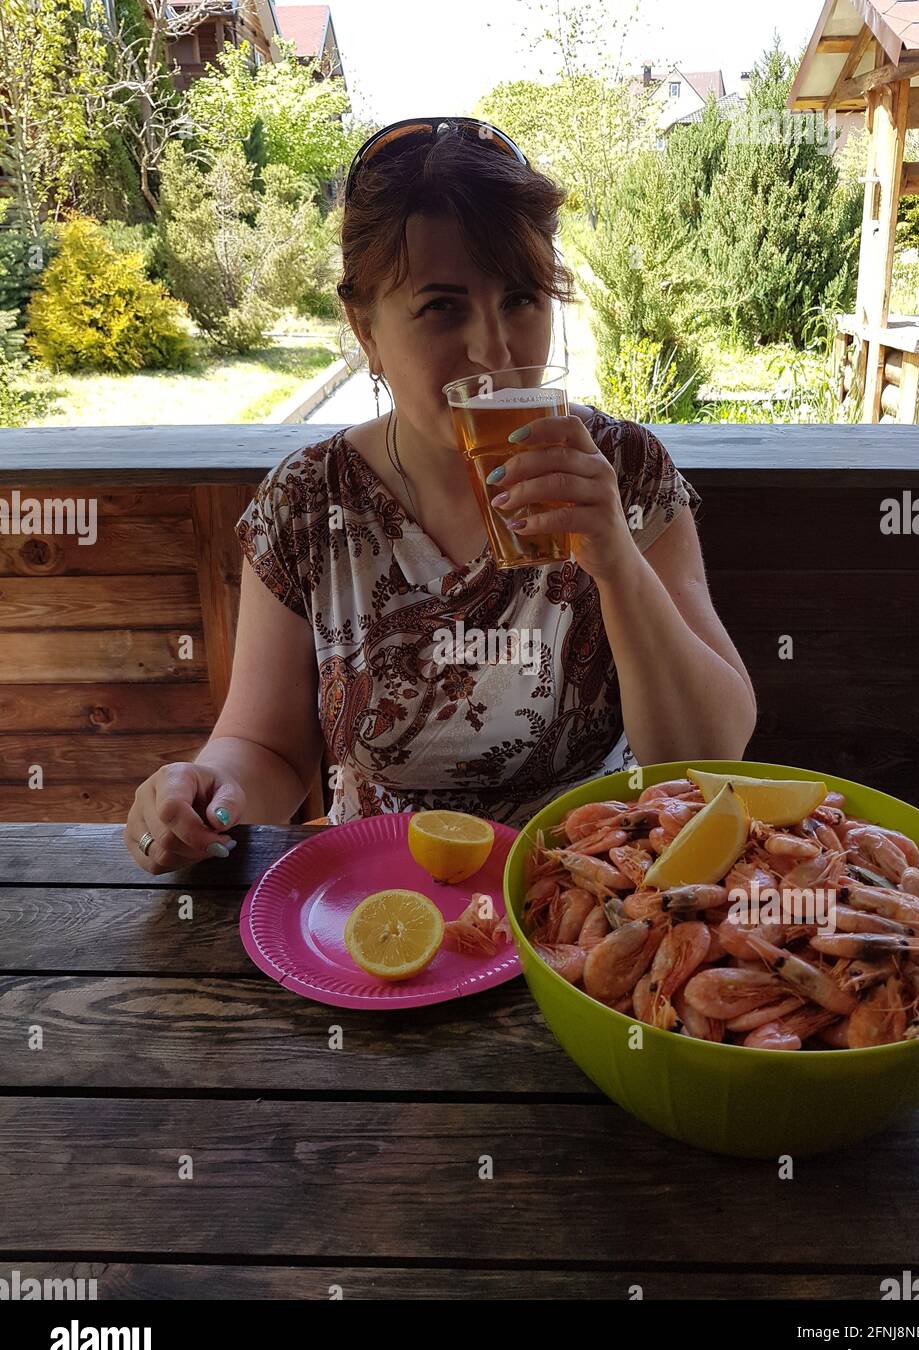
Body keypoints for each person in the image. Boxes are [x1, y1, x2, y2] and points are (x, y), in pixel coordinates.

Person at [124, 118, 756, 875]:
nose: (495, 352)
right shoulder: (305, 503)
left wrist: (616, 563)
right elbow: (264, 747)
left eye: (520, 298)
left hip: (588, 880)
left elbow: (711, 752)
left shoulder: (622, 468)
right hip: (383, 888)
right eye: (441, 307)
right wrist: (208, 792)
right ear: (366, 331)